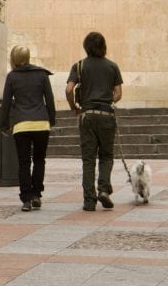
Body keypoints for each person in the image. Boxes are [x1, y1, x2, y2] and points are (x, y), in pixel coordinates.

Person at [65, 31, 123, 211]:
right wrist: (108, 102)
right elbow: (118, 94)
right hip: (106, 115)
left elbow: (69, 89)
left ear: (86, 46)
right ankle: (104, 190)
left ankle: (89, 200)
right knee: (106, 155)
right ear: (103, 46)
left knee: (88, 159)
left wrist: (73, 106)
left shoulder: (79, 66)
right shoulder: (112, 66)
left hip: (87, 115)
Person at [0, 45, 56, 212]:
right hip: (41, 124)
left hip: (22, 125)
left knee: (24, 162)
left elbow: (6, 103)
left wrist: (4, 125)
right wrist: (51, 120)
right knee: (39, 160)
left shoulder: (12, 77)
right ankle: (37, 194)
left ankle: (26, 199)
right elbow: (50, 100)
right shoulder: (42, 74)